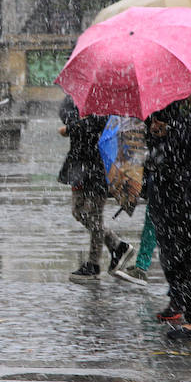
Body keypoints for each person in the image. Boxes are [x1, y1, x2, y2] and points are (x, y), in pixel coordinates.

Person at [144, 96, 191, 338]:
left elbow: (184, 153)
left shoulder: (188, 116)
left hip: (185, 200)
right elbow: (156, 153)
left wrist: (167, 132)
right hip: (164, 199)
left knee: (183, 258)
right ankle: (186, 307)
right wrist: (155, 134)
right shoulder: (156, 110)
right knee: (171, 259)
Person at [57, 96, 135, 282]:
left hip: (98, 166)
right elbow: (65, 112)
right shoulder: (76, 97)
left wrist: (73, 127)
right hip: (78, 165)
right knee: (78, 211)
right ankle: (117, 245)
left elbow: (102, 122)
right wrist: (74, 122)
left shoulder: (108, 101)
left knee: (94, 215)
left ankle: (93, 265)